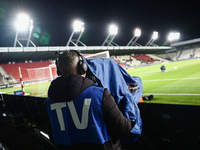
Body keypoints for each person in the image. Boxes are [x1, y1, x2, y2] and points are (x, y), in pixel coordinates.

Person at [45, 50, 135, 150]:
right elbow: (123, 130)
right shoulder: (100, 95)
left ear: (59, 71)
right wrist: (129, 106)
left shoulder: (48, 103)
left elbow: (53, 138)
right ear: (82, 67)